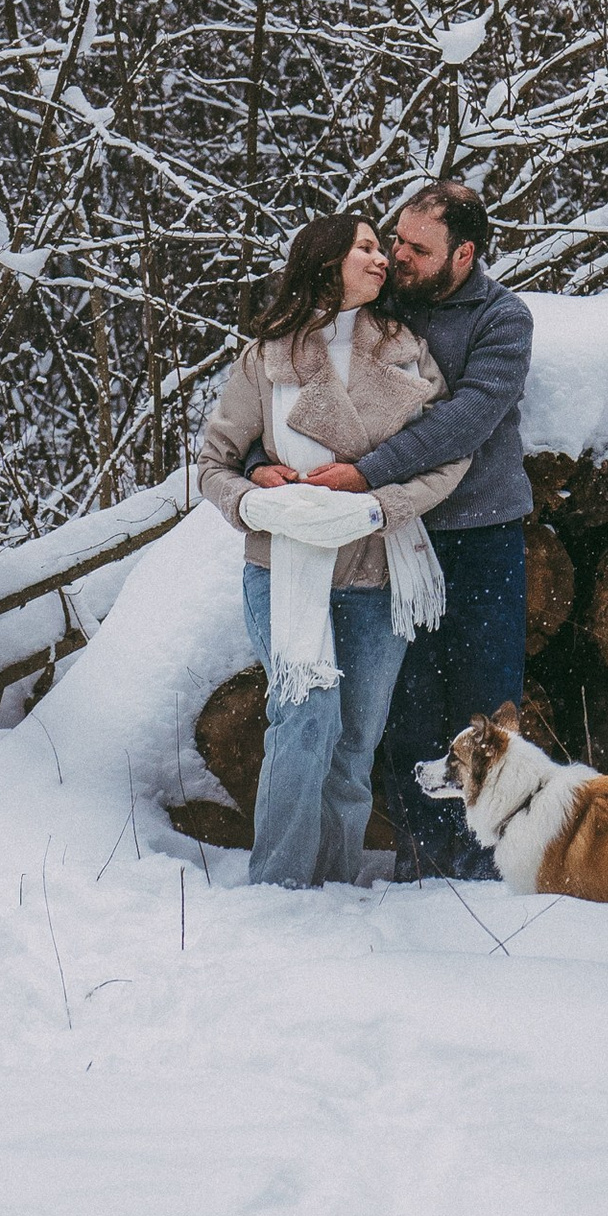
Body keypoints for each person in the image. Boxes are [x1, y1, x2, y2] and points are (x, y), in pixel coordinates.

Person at [194, 216, 469, 888]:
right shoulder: (268, 356)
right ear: (326, 261)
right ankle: (280, 887)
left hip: (379, 567)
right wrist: (256, 498)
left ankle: (337, 888)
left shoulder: (406, 350)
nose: (383, 259)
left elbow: (447, 457)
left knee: (355, 739)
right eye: (367, 248)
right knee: (304, 718)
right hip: (284, 565)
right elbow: (212, 465)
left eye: (383, 247)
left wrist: (381, 504)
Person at [292, 176, 534, 880]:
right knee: (410, 709)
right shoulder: (380, 304)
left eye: (418, 248)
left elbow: (468, 420)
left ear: (464, 256)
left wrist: (368, 469)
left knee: (485, 712)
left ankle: (486, 870)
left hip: (484, 540)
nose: (397, 255)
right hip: (396, 540)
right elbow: (298, 378)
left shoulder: (502, 319)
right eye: (395, 238)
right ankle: (423, 865)